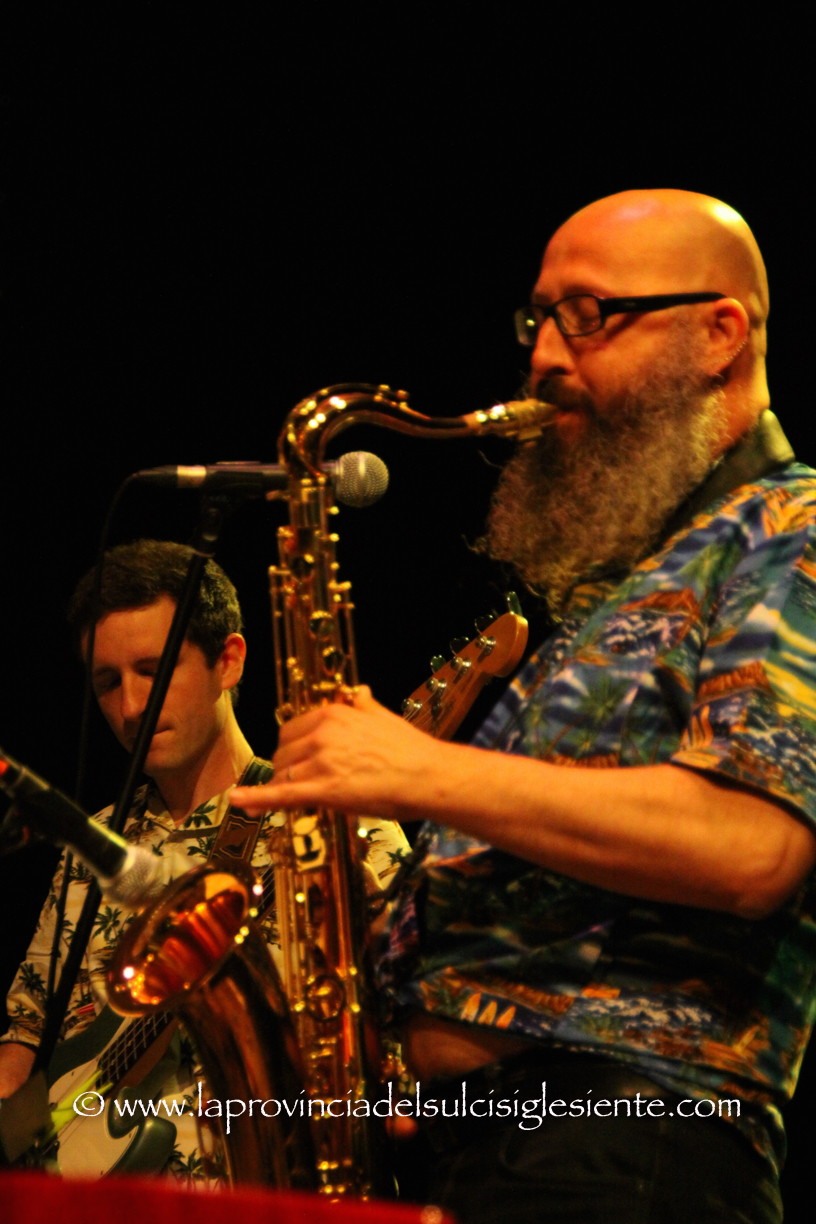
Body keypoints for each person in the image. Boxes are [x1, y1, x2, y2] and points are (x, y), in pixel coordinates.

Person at [231, 190, 816, 1222]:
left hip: (629, 1147)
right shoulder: (622, 591)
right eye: (538, 319)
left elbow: (753, 847)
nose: (544, 356)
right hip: (491, 1148)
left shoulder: (792, 528)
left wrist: (421, 770)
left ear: (721, 333)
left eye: (588, 315)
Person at [0, 539, 408, 1183]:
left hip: (274, 1190)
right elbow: (25, 1034)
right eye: (108, 683)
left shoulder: (336, 822)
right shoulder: (95, 841)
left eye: (153, 671)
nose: (131, 707)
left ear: (229, 661)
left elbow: (412, 1034)